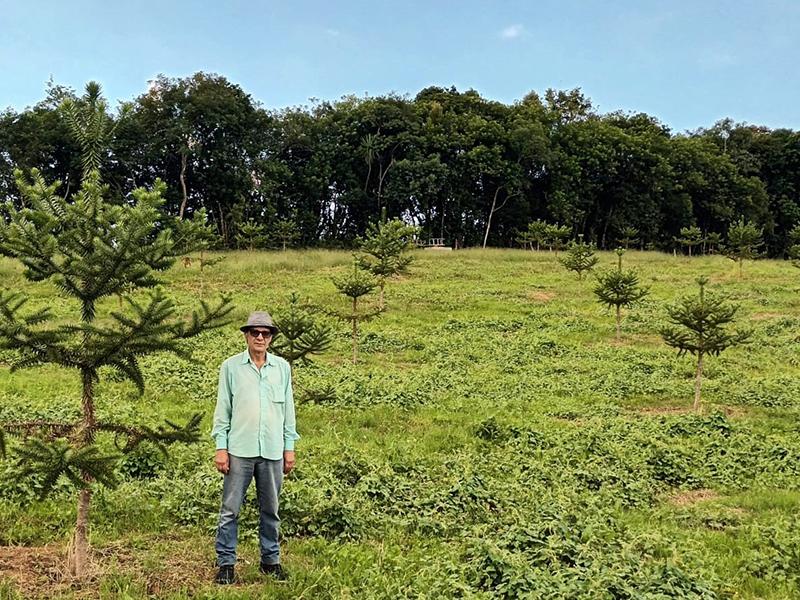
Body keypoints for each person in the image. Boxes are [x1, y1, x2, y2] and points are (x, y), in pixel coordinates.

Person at [211, 311, 299, 585]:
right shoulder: (231, 367)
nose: (260, 337)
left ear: (271, 337)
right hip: (239, 450)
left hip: (272, 452)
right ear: (246, 335)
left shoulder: (282, 368)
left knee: (270, 510)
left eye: (266, 333)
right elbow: (223, 409)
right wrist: (221, 447)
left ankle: (270, 561)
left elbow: (289, 411)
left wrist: (289, 447)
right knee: (230, 510)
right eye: (255, 333)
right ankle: (226, 564)